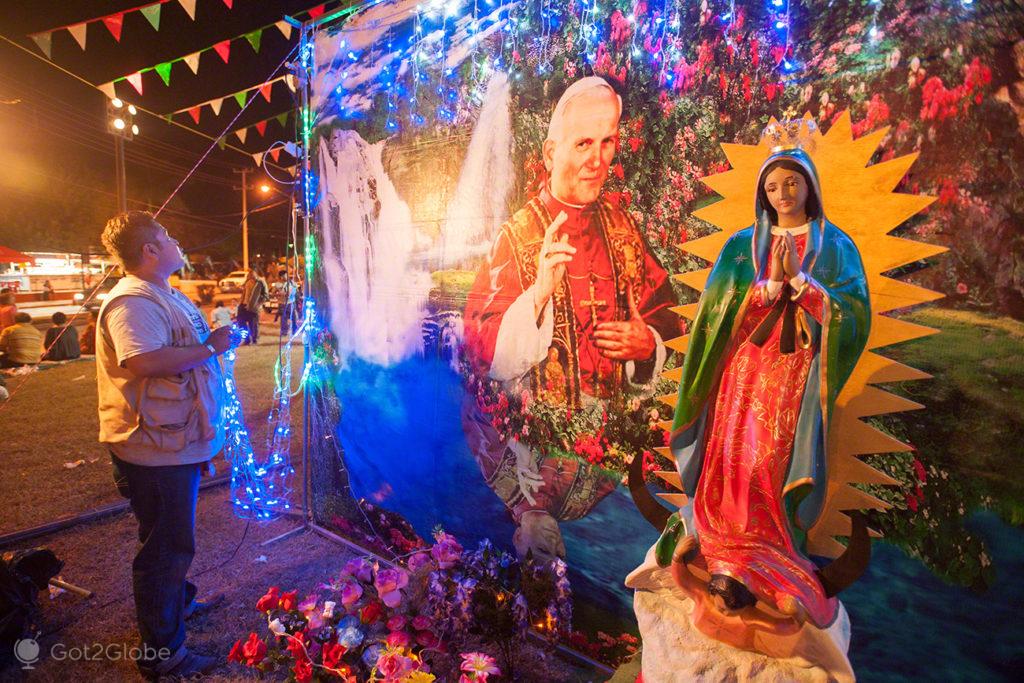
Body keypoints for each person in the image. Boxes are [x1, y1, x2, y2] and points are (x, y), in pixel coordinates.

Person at [462, 76, 680, 562]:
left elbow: (667, 313)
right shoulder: (516, 237)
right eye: (584, 143)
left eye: (608, 143)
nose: (598, 159)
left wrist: (647, 345)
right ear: (549, 151)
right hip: (532, 461)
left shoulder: (622, 228)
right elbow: (478, 348)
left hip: (605, 469)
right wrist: (538, 295)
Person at [665, 130, 870, 631]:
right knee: (730, 452)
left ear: (809, 186)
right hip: (742, 370)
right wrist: (769, 288)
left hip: (791, 377)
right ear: (764, 192)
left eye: (792, 182)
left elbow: (854, 314)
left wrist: (803, 283)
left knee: (767, 459)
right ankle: (718, 540)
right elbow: (719, 311)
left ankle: (768, 548)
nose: (783, 193)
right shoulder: (741, 246)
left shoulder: (836, 247)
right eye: (774, 185)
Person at [96, 210, 237, 679]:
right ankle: (164, 653)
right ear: (150, 250)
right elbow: (144, 360)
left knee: (166, 537)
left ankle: (177, 605)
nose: (177, 243)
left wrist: (212, 344)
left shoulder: (160, 293)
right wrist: (212, 347)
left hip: (172, 437)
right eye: (167, 237)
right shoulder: (132, 301)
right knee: (167, 546)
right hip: (153, 446)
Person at [237, 269, 268, 345]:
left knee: (253, 324)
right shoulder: (247, 282)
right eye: (249, 274)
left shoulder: (260, 282)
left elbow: (266, 296)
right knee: (241, 323)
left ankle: (254, 340)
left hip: (253, 307)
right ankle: (246, 340)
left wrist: (258, 304)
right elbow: (244, 293)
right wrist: (240, 302)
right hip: (243, 305)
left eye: (252, 273)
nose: (251, 275)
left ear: (256, 274)